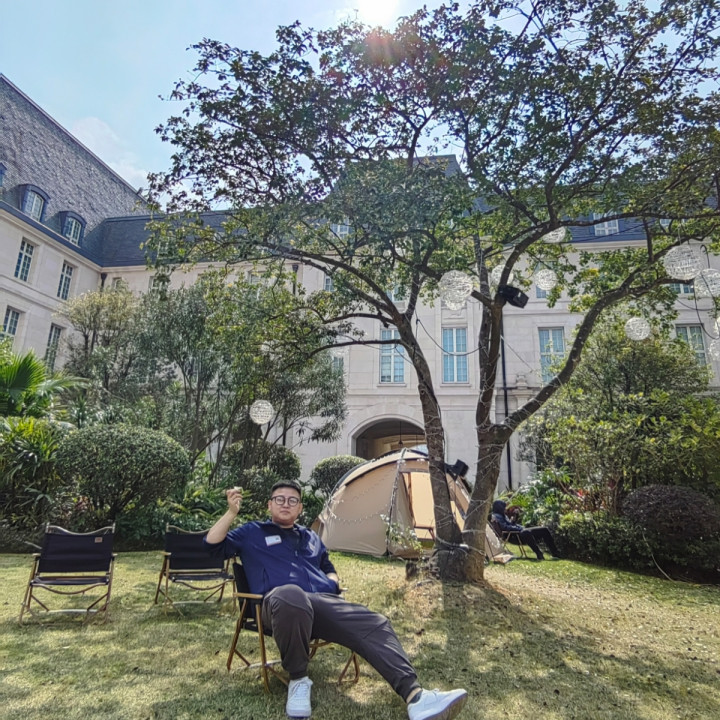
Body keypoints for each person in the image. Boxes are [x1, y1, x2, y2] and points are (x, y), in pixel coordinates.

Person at [205, 481, 468, 720]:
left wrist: (332, 583)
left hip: (321, 604)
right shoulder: (252, 532)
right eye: (279, 499)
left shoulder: (310, 538)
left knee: (374, 622)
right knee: (291, 594)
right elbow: (210, 546)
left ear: (300, 508)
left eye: (292, 500)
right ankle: (298, 679)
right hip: (277, 606)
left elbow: (327, 566)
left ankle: (416, 698)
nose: (286, 504)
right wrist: (231, 513)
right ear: (269, 505)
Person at [490, 499, 562, 561]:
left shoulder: (503, 515)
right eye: (503, 507)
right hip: (513, 536)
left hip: (518, 533)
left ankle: (555, 553)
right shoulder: (496, 516)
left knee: (544, 530)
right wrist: (519, 528)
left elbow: (511, 524)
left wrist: (515, 518)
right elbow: (505, 528)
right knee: (526, 532)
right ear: (499, 507)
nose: (505, 508)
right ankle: (539, 553)